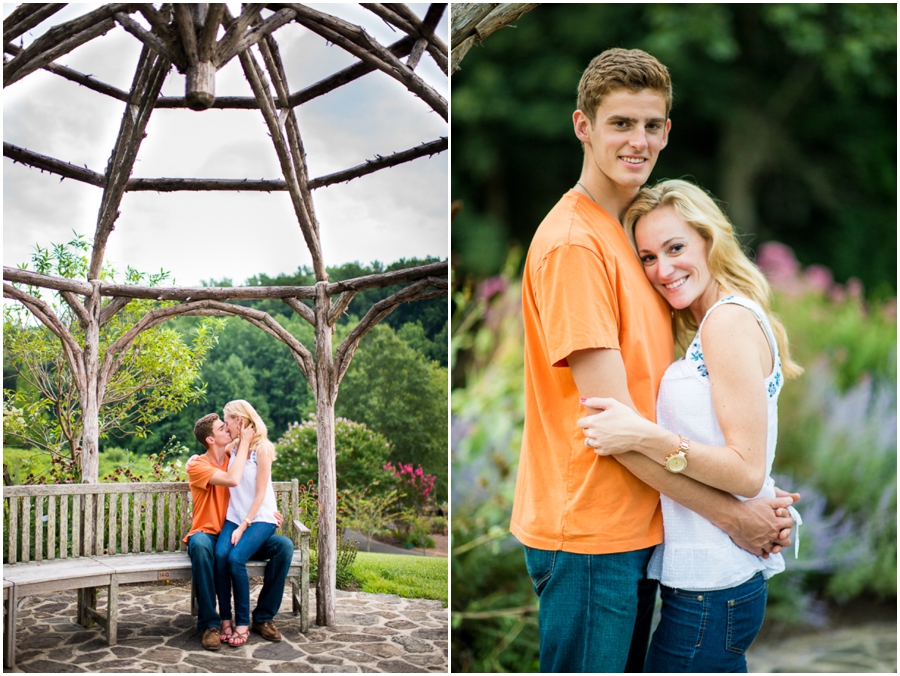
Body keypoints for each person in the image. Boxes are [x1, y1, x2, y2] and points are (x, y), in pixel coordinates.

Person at [509, 47, 797, 673]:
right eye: (620, 123)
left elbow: (701, 397)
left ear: (667, 130)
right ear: (583, 126)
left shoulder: (634, 239)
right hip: (589, 534)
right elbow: (613, 427)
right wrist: (734, 516)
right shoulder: (575, 246)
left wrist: (756, 492)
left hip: (644, 525)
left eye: (651, 125)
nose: (637, 141)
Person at [578, 179, 802, 672]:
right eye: (648, 257)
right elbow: (735, 449)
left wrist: (643, 435)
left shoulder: (727, 322)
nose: (663, 269)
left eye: (675, 247)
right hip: (706, 584)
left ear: (709, 238)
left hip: (714, 588)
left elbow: (745, 470)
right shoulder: (712, 325)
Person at [186, 412, 294, 651]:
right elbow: (233, 480)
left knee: (284, 547)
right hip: (207, 533)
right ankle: (210, 625)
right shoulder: (197, 465)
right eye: (222, 428)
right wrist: (243, 442)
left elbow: (254, 484)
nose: (228, 429)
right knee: (202, 547)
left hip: (236, 532)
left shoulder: (232, 455)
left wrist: (266, 511)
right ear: (211, 440)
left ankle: (263, 618)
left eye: (227, 426)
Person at [214, 400, 282, 647]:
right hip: (235, 516)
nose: (225, 425)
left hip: (259, 518)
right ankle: (225, 619)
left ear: (239, 420)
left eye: (227, 420)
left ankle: (242, 622)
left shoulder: (262, 448)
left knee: (235, 559)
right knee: (220, 555)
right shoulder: (234, 447)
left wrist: (245, 525)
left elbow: (261, 493)